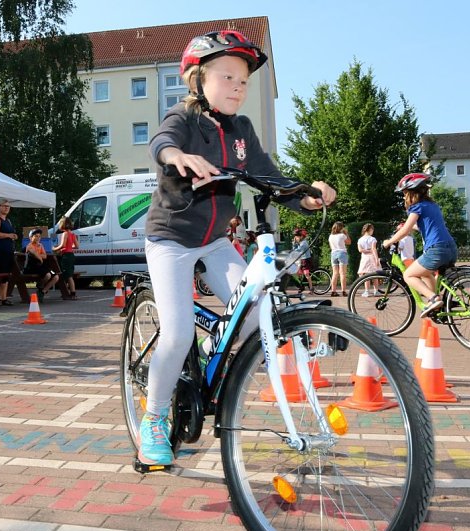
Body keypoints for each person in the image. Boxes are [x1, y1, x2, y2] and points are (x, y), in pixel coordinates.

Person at [140, 30, 336, 467]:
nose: (237, 87)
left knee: (253, 316)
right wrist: (178, 157)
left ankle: (214, 365)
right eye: (227, 77)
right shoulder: (184, 118)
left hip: (213, 242)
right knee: (178, 332)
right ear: (198, 81)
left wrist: (304, 195)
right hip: (170, 240)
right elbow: (160, 142)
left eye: (243, 81)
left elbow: (270, 176)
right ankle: (153, 419)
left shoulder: (243, 130)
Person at [382, 173, 457, 318]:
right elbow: (424, 226)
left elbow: (405, 231)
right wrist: (408, 226)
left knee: (408, 275)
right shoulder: (431, 205)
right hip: (450, 248)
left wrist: (389, 241)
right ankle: (435, 303)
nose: (404, 197)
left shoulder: (417, 207)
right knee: (426, 273)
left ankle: (434, 298)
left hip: (436, 250)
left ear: (411, 192)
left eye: (404, 193)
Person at [0, 199, 18, 306]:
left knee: (6, 274)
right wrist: (9, 235)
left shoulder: (8, 221)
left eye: (8, 206)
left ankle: (4, 298)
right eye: (4, 206)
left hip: (8, 251)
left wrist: (13, 236)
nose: (6, 208)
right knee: (0, 273)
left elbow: (10, 233)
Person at [23, 228, 59, 300]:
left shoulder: (40, 245)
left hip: (41, 266)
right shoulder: (29, 246)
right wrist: (40, 257)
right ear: (31, 238)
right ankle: (40, 285)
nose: (38, 238)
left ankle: (42, 291)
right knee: (48, 275)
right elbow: (34, 253)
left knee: (56, 277)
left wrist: (39, 257)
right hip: (32, 267)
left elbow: (44, 256)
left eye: (39, 236)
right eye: (36, 236)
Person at [54, 216, 79, 300]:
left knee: (67, 275)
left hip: (66, 256)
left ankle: (71, 293)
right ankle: (71, 293)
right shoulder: (72, 234)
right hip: (71, 255)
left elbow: (63, 245)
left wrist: (54, 248)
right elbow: (76, 246)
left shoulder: (65, 233)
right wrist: (68, 248)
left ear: (62, 224)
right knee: (69, 274)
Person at [356, 223, 380, 296]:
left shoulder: (360, 239)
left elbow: (360, 250)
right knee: (375, 274)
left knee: (366, 275)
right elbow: (374, 249)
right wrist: (376, 259)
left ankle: (367, 291)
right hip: (372, 257)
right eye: (372, 230)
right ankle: (376, 291)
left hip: (364, 258)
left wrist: (366, 250)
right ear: (370, 230)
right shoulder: (372, 239)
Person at [328, 221, 351, 296]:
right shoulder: (342, 235)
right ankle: (343, 291)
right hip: (342, 253)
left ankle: (333, 291)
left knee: (335, 273)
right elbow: (349, 242)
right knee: (342, 273)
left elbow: (331, 247)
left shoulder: (330, 236)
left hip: (333, 253)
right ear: (341, 228)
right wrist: (346, 233)